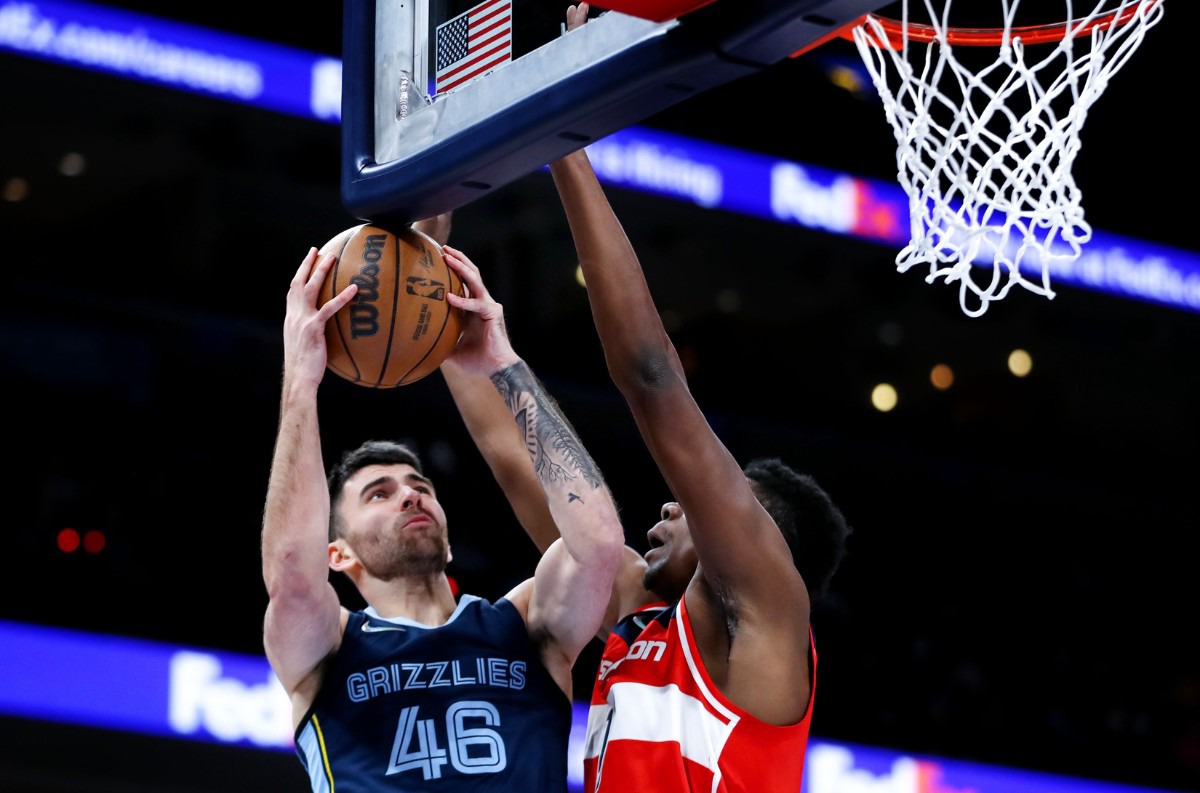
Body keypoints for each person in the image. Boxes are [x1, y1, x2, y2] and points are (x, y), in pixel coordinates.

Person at [439, 8, 854, 792]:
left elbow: (653, 378)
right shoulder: (637, 613)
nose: (668, 507)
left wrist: (563, 141)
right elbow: (516, 460)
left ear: (757, 537)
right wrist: (470, 344)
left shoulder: (765, 610)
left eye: (701, 505)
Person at [260, 215, 625, 792]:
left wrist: (504, 369)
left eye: (419, 486)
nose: (408, 493)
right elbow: (289, 575)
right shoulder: (326, 646)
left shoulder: (523, 625)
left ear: (450, 537)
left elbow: (601, 543)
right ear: (338, 553)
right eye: (379, 494)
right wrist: (301, 382)